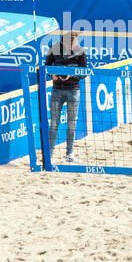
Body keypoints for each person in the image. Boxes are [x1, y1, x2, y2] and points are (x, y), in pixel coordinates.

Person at [44, 30, 86, 164]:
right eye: (73, 44)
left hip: (74, 90)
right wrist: (52, 75)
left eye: (76, 43)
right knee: (54, 124)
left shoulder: (80, 51)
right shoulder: (53, 49)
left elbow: (84, 72)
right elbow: (46, 67)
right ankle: (49, 155)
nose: (75, 46)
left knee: (72, 124)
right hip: (57, 90)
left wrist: (71, 75)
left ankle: (69, 154)